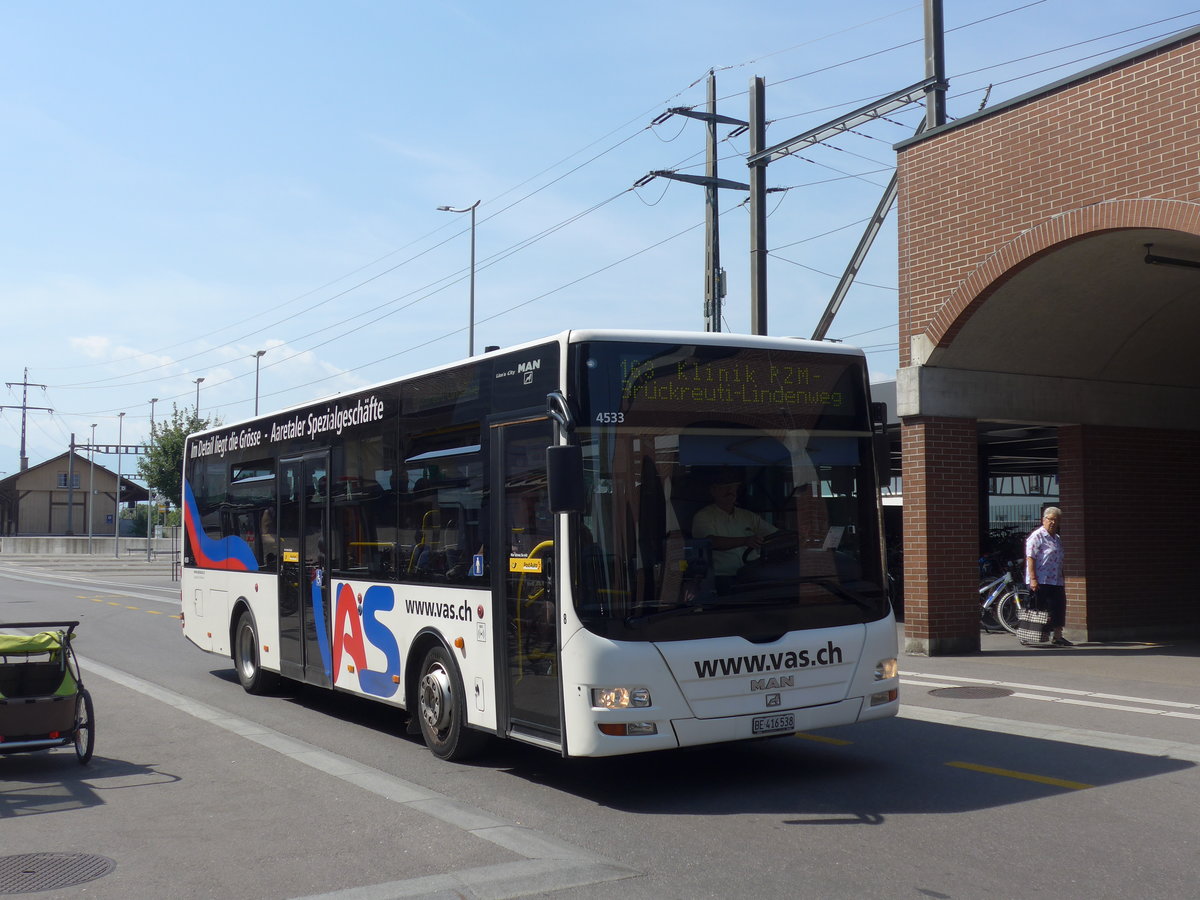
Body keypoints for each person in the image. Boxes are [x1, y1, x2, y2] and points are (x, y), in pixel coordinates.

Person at [690, 468, 777, 591]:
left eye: (733, 487)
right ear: (713, 491)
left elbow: (774, 535)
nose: (730, 491)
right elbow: (711, 542)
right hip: (722, 578)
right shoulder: (703, 516)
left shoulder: (748, 516)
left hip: (752, 575)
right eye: (724, 487)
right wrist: (745, 541)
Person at [1025, 506, 1070, 646]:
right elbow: (1030, 558)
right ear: (1043, 520)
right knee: (1037, 608)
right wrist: (1033, 579)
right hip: (1041, 579)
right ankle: (1029, 634)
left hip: (1056, 580)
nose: (1053, 523)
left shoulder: (1057, 538)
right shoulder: (1037, 536)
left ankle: (1057, 636)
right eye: (1050, 519)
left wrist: (1062, 577)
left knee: (1058, 607)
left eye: (1056, 520)